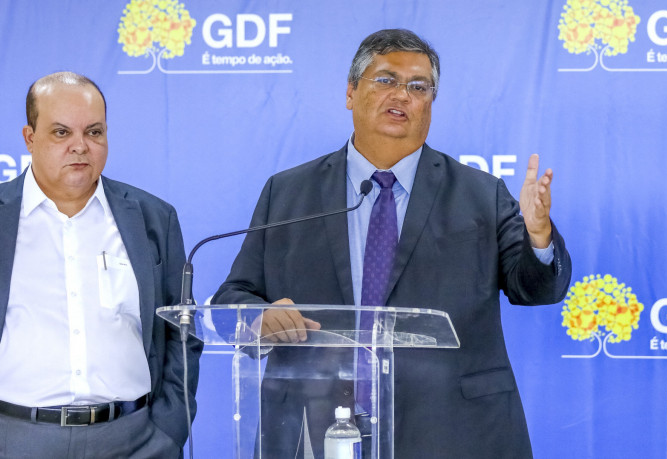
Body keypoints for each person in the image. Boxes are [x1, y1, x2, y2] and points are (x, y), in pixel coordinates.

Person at [213, 29, 571, 458]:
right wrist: (259, 319)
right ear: (350, 92)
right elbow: (231, 300)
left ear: (430, 104)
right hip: (319, 429)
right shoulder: (288, 193)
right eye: (385, 80)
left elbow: (538, 289)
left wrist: (538, 235)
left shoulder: (480, 194)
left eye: (418, 87)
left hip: (452, 430)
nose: (401, 95)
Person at [0, 72, 202, 457]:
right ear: (29, 138)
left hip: (135, 442)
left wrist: (169, 430)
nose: (80, 146)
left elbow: (183, 333)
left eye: (94, 132)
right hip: (16, 440)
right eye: (61, 133)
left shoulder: (153, 218)